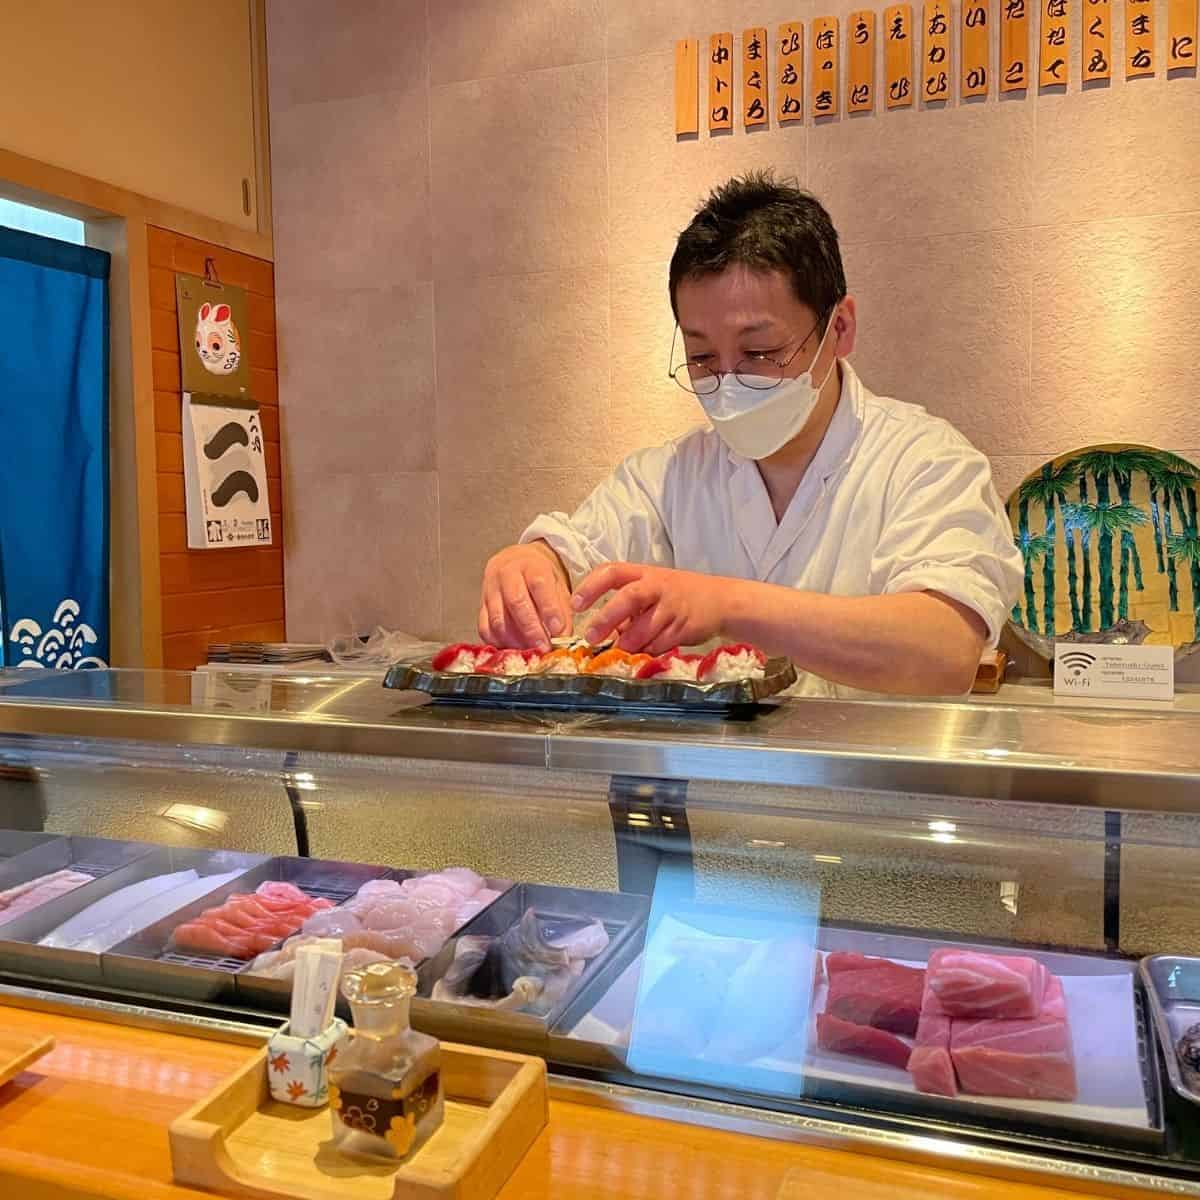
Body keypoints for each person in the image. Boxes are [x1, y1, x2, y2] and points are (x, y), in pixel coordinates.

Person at [477, 172, 1022, 696]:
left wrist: (725, 605)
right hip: (709, 789)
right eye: (703, 357)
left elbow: (943, 651)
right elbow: (574, 549)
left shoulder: (926, 462)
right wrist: (532, 563)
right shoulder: (667, 477)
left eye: (760, 352)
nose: (729, 381)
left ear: (839, 328)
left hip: (871, 790)